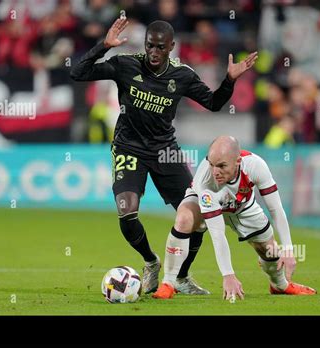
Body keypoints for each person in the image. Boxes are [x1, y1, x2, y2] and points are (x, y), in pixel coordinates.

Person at [70, 18, 258, 294]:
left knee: (197, 217)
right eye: (150, 46)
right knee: (127, 211)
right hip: (128, 148)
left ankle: (181, 277)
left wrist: (229, 80)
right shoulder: (125, 65)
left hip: (164, 151)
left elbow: (214, 103)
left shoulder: (182, 76)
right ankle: (150, 262)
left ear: (171, 47)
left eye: (160, 47)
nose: (154, 52)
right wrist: (103, 46)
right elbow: (78, 72)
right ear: (145, 44)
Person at [153, 136, 317, 300]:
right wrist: (228, 275)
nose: (215, 171)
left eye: (222, 166)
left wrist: (288, 250)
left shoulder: (255, 165)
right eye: (211, 164)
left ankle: (280, 285)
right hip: (205, 202)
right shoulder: (205, 181)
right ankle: (168, 283)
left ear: (238, 161)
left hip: (243, 206)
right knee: (184, 219)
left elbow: (276, 209)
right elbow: (218, 234)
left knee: (270, 249)